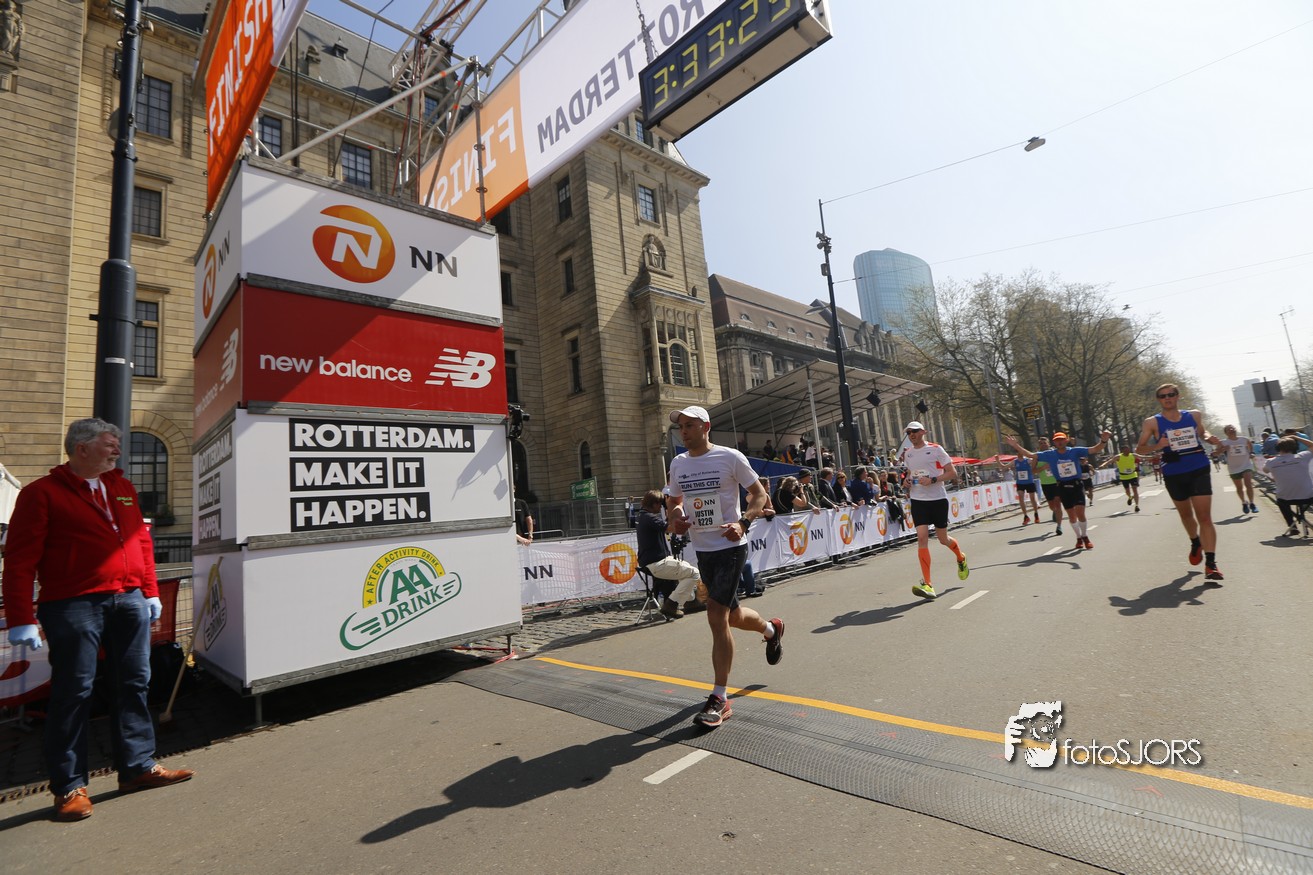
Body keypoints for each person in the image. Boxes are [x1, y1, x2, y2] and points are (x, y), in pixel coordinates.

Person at [2, 418, 194, 822]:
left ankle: (138, 766)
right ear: (82, 447)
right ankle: (69, 786)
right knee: (74, 691)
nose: (117, 451)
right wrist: (21, 616)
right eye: (110, 444)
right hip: (72, 604)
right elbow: (19, 559)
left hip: (128, 599)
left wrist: (150, 590)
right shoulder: (41, 494)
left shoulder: (123, 488)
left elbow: (140, 542)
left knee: (135, 683)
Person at [666, 406, 780, 728]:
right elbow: (674, 501)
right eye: (680, 427)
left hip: (731, 547)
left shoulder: (730, 457)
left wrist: (743, 522)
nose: (683, 431)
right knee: (732, 615)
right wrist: (677, 518)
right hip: (702, 550)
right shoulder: (678, 463)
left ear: (706, 427)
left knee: (716, 615)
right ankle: (771, 629)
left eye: (690, 425)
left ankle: (719, 698)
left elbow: (759, 495)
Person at [1136, 383, 1224, 582]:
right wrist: (1159, 445)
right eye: (1162, 396)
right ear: (1158, 400)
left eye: (1171, 394)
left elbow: (1202, 433)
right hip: (1174, 471)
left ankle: (1211, 564)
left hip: (1198, 466)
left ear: (1178, 396)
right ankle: (1195, 541)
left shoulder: (1194, 415)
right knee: (1186, 514)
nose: (1167, 398)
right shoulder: (1152, 422)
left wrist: (1210, 438)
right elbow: (1140, 449)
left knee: (1205, 517)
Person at [1006, 428, 1112, 550]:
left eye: (1062, 440)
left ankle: (1085, 536)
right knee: (1071, 515)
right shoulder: (1050, 454)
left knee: (1080, 513)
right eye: (1057, 440)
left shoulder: (1075, 451)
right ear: (1054, 442)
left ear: (1066, 440)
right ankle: (1078, 537)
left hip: (1076, 484)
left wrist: (1104, 440)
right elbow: (1030, 455)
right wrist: (1015, 445)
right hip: (1062, 486)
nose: (1059, 442)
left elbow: (1095, 449)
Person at [901, 421, 969, 600]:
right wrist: (907, 481)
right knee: (922, 538)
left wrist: (932, 480)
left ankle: (960, 557)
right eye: (909, 432)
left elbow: (952, 473)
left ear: (923, 432)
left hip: (938, 499)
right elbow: (910, 473)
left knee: (943, 539)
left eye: (915, 431)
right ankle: (928, 584)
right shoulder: (908, 453)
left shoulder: (936, 449)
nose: (911, 434)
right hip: (918, 500)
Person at [635, 490, 701, 619]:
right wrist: (674, 509)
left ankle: (691, 602)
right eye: (660, 504)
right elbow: (672, 528)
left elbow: (664, 526)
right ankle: (671, 604)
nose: (661, 507)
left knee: (686, 567)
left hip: (651, 561)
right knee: (694, 573)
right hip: (657, 562)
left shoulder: (642, 516)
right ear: (654, 504)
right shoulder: (650, 518)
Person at [1264, 434, 1313, 536]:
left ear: (1278, 448)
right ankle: (1301, 520)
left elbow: (1265, 471)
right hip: (1308, 496)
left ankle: (1292, 526)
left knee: (1280, 499)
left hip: (1286, 498)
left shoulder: (1270, 462)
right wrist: (1296, 437)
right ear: (1295, 448)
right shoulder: (1302, 456)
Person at [1214, 425, 1258, 514]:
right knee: (1239, 488)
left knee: (1248, 484)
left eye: (1233, 428)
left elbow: (1250, 446)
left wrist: (1251, 453)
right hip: (1233, 467)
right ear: (1226, 433)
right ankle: (1244, 502)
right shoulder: (1223, 442)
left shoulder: (1244, 439)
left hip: (1246, 465)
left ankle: (1252, 503)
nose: (1232, 430)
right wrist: (1223, 449)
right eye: (1229, 429)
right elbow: (1215, 453)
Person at [1033, 436, 1066, 536]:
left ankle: (1059, 526)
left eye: (1045, 443)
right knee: (1052, 506)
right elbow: (1033, 471)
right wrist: (1043, 467)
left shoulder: (1055, 453)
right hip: (1046, 484)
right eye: (1041, 443)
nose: (1043, 445)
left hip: (1057, 482)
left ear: (1049, 444)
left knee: (1057, 503)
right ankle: (1054, 511)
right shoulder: (1036, 456)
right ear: (1039, 445)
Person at [1101, 445, 1148, 512]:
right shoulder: (1118, 457)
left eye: (1128, 450)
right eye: (1126, 450)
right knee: (1127, 491)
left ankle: (1137, 506)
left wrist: (1153, 456)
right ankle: (1130, 497)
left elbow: (1143, 457)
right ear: (1122, 451)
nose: (1128, 451)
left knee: (1135, 490)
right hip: (1124, 477)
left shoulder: (1133, 455)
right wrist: (1103, 465)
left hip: (1133, 475)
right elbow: (1110, 461)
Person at [1007, 454, 1041, 524]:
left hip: (1029, 482)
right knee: (1020, 498)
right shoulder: (1015, 461)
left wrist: (1034, 460)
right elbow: (1004, 467)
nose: (1020, 454)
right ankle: (1026, 516)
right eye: (1019, 452)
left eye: (1021, 452)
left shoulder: (1027, 460)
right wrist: (998, 460)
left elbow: (1036, 461)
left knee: (1032, 499)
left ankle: (1036, 514)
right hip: (1020, 483)